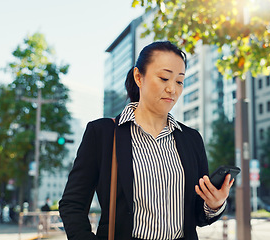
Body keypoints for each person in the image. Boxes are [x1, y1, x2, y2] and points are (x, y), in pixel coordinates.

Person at [59, 41, 234, 240]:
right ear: (138, 77)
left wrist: (214, 204)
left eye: (179, 81)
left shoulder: (191, 139)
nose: (172, 89)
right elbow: (72, 204)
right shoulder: (103, 133)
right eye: (164, 78)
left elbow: (197, 216)